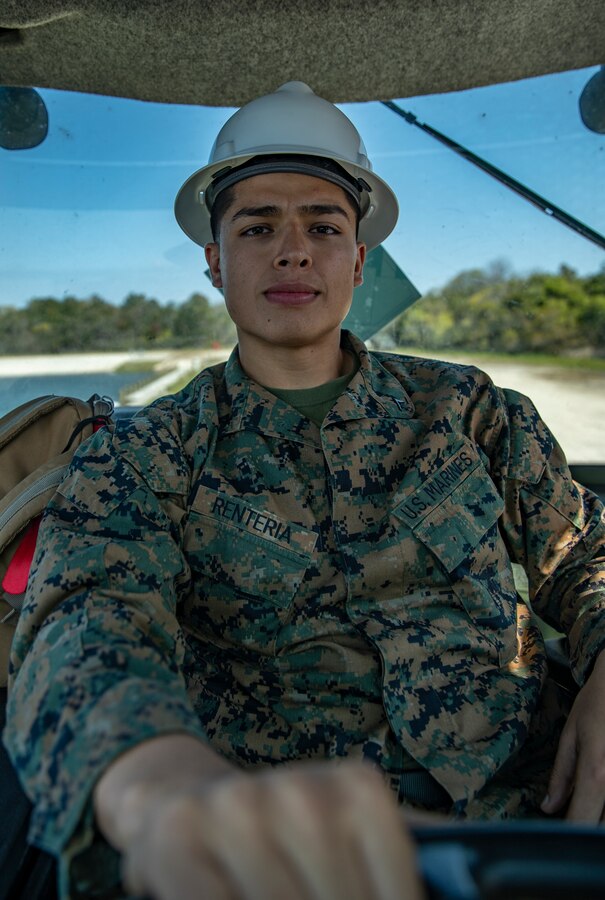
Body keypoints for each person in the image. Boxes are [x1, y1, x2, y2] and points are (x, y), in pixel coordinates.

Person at [3, 81, 605, 900]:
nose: (293, 251)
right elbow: (84, 621)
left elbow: (582, 552)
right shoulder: (147, 453)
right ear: (214, 262)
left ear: (358, 259)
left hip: (538, 819)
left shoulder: (470, 410)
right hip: (283, 854)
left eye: (323, 226)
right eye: (257, 228)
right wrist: (160, 788)